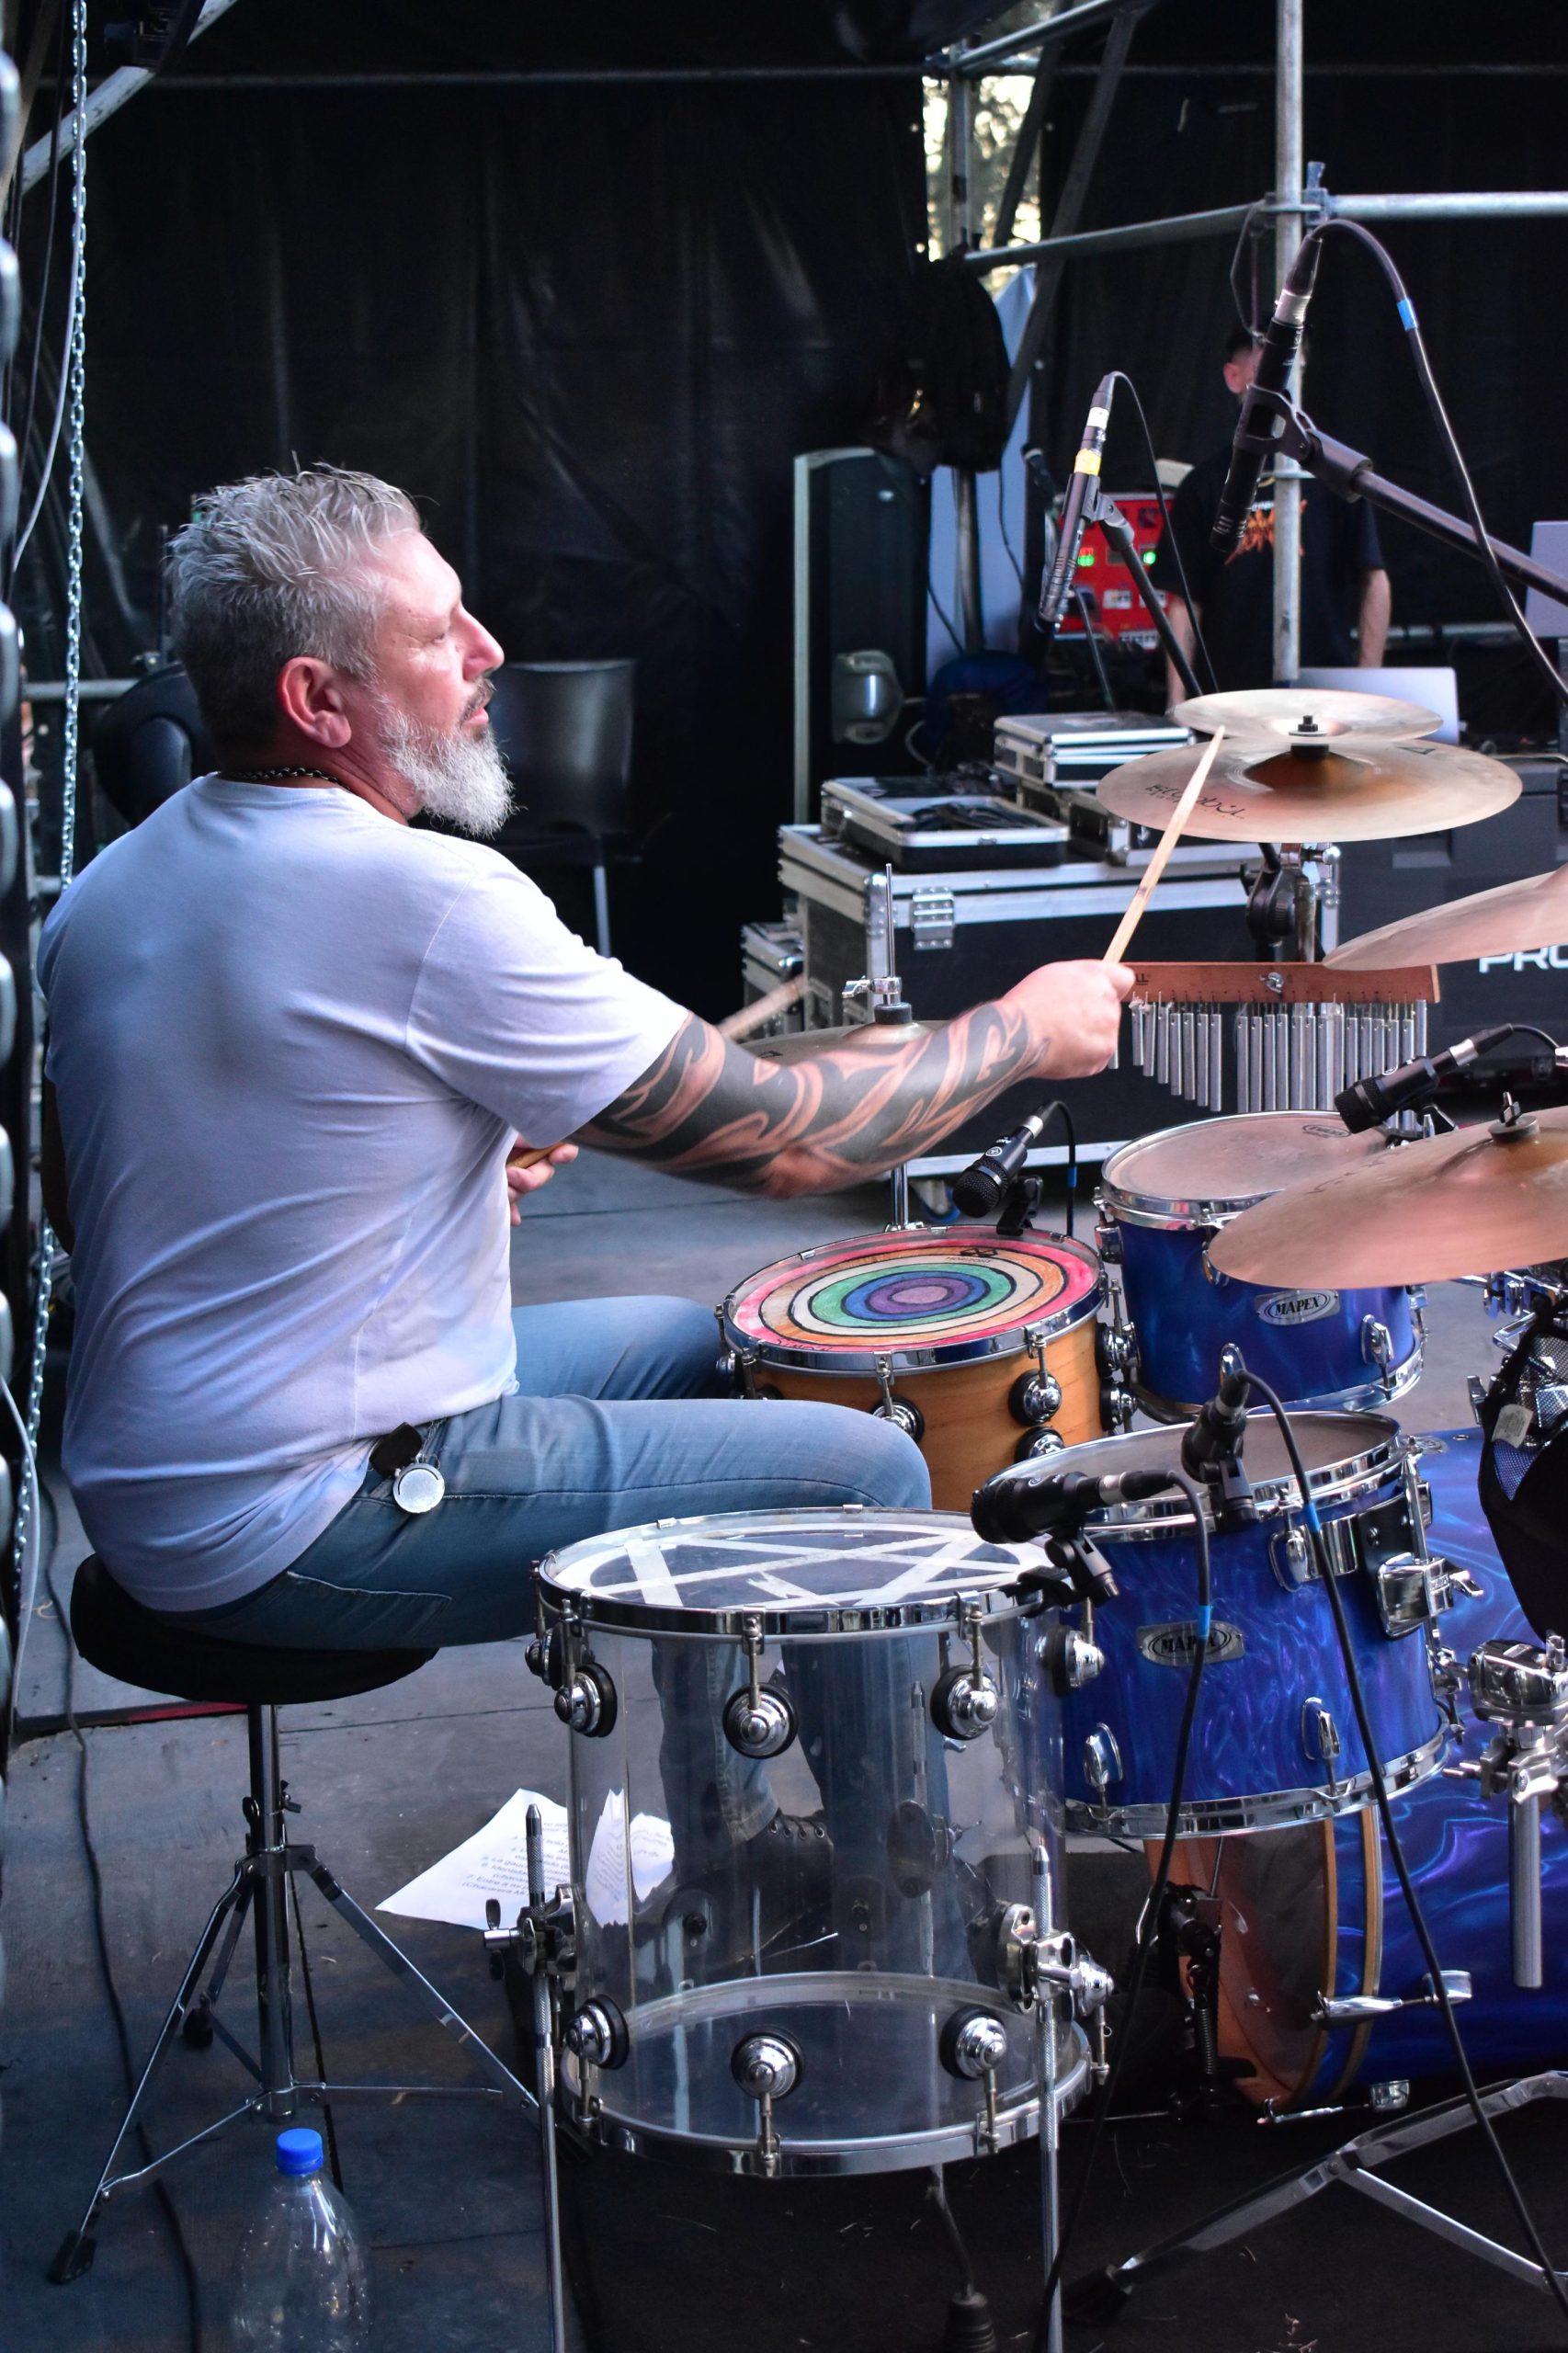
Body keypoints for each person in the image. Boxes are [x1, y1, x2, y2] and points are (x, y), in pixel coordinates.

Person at [40, 467, 1131, 1664]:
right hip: (297, 1511)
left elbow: (93, 1202)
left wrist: (413, 1179)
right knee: (866, 1467)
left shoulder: (110, 885)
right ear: (317, 700)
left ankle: (713, 1744)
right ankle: (810, 1795)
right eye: (435, 634)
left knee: (698, 1343)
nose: (488, 650)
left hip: (152, 1477)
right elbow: (791, 1144)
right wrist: (1023, 1030)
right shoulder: (426, 898)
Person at [1153, 324, 1391, 703]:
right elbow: (1183, 602)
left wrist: (1368, 691)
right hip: (1231, 702)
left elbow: (1373, 579)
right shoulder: (1204, 485)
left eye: (1291, 366)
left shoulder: (1338, 476)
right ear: (1235, 377)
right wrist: (1177, 706)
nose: (1283, 381)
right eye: (1268, 368)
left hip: (1323, 701)